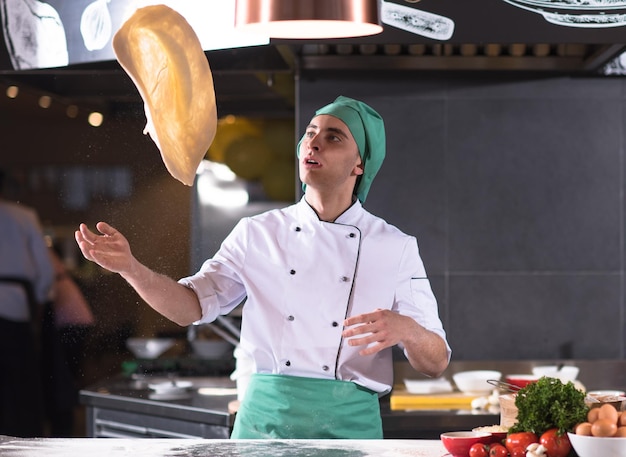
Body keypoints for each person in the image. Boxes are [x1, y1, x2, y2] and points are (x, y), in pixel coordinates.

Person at [75, 96, 451, 439]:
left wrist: (407, 330)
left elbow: (436, 362)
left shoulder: (393, 246)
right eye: (310, 133)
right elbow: (191, 306)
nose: (313, 143)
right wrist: (131, 268)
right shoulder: (257, 233)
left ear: (360, 164)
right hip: (263, 423)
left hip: (350, 428)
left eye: (333, 137)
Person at [0, 169, 55, 437]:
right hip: (16, 308)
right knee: (20, 386)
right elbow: (44, 271)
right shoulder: (23, 217)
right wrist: (41, 303)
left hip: (17, 304)